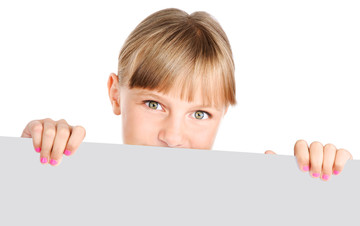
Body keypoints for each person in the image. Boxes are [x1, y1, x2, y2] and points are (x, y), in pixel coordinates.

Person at [20, 8, 353, 181]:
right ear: (115, 94)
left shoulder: (248, 206)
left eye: (200, 114)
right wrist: (23, 167)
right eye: (154, 104)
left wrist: (320, 195)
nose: (173, 137)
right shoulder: (71, 182)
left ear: (222, 114)